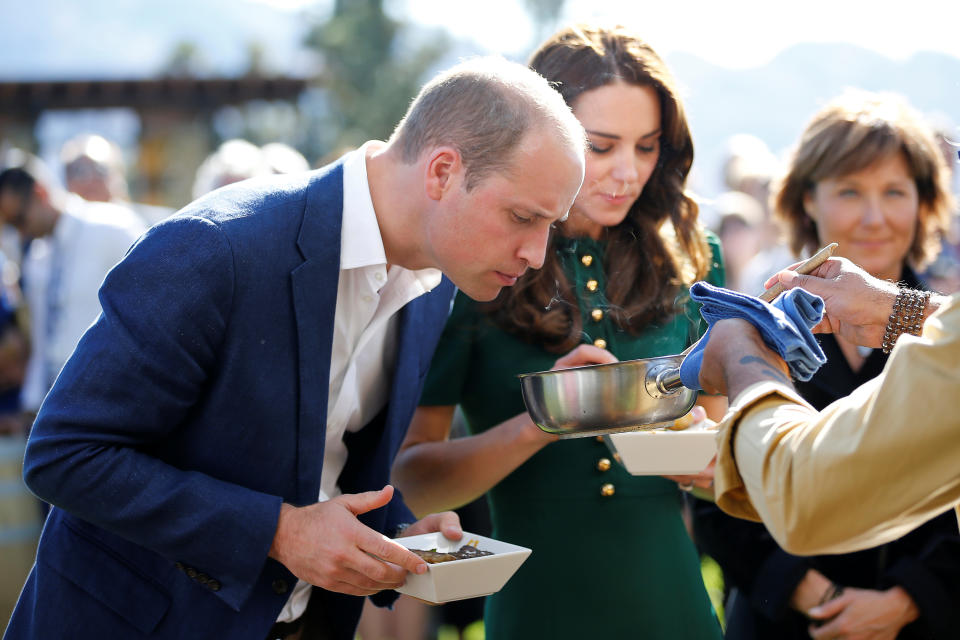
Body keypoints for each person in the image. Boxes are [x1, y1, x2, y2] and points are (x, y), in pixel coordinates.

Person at [4, 56, 586, 640]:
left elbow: (322, 464)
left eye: (550, 226)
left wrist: (394, 534)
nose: (536, 253)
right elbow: (65, 453)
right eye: (522, 217)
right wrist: (279, 532)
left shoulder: (436, 283)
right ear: (441, 173)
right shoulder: (218, 248)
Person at [392, 25, 724, 640]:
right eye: (601, 147)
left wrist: (710, 461)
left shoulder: (695, 258)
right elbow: (412, 476)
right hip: (537, 611)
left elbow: (719, 468)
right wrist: (540, 423)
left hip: (674, 606)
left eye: (648, 147)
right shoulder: (472, 267)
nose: (628, 173)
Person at [693, 90, 960, 639]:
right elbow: (713, 485)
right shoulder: (750, 318)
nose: (874, 216)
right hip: (784, 623)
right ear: (806, 199)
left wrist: (910, 598)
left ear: (926, 201)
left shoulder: (939, 329)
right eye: (848, 191)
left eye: (895, 191)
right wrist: (817, 596)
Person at [0, 160, 148, 417]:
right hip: (62, 409)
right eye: (12, 226)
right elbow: (42, 343)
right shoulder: (38, 256)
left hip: (116, 401)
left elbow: (154, 312)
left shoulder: (111, 226)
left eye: (20, 219)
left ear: (41, 193)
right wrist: (31, 406)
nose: (20, 232)